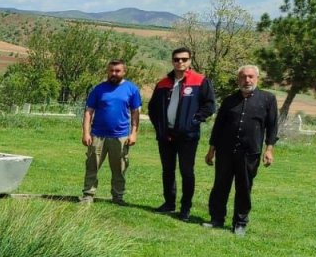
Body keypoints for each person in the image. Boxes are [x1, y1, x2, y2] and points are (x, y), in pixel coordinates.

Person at [204, 65, 278, 236]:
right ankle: (216, 219)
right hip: (225, 151)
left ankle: (240, 223)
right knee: (220, 186)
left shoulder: (268, 99)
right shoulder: (229, 100)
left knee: (244, 188)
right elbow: (218, 127)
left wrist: (269, 150)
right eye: (243, 77)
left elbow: (272, 126)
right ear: (238, 79)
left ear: (257, 78)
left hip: (249, 153)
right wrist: (211, 150)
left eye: (251, 76)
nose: (247, 80)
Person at [147, 47, 216, 220]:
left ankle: (185, 207)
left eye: (184, 59)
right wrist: (159, 127)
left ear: (190, 61)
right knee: (168, 170)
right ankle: (169, 203)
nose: (180, 62)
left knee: (187, 172)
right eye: (177, 59)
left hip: (187, 136)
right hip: (166, 136)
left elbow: (209, 105)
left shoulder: (200, 81)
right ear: (172, 61)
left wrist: (194, 121)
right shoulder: (163, 83)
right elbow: (153, 108)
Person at [81, 59, 142, 205]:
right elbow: (89, 112)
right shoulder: (98, 89)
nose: (114, 73)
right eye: (111, 71)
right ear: (107, 71)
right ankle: (88, 195)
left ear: (124, 72)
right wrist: (86, 133)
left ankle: (118, 197)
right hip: (97, 135)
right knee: (92, 166)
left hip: (120, 136)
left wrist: (134, 133)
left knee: (119, 169)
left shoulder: (132, 89)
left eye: (117, 71)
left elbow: (135, 113)